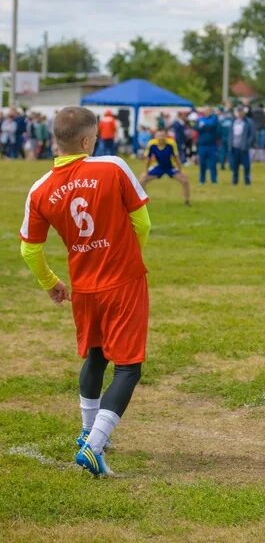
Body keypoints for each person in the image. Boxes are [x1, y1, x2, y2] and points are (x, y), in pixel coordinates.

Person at [19, 106, 151, 476]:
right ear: (87, 140)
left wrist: (50, 282)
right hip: (123, 282)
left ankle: (86, 433)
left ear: (54, 140)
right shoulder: (112, 166)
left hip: (85, 286)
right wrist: (126, 255)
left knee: (95, 357)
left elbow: (29, 249)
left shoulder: (40, 188)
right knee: (128, 368)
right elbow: (142, 220)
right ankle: (94, 447)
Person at [139, 130, 190, 205]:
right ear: (155, 137)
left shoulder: (171, 143)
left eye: (163, 136)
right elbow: (148, 159)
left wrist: (180, 171)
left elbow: (176, 158)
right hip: (158, 167)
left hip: (170, 167)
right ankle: (144, 201)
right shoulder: (152, 144)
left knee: (185, 180)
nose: (161, 138)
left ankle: (187, 201)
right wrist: (146, 171)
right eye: (159, 136)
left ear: (166, 137)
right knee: (142, 180)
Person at [229, 106, 254, 185]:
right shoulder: (233, 121)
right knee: (235, 165)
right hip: (234, 146)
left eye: (241, 112)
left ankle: (247, 180)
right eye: (238, 112)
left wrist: (247, 144)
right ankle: (235, 180)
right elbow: (230, 134)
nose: (239, 113)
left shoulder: (248, 122)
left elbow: (252, 134)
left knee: (246, 165)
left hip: (243, 147)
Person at [196, 108, 219, 184]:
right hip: (202, 145)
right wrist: (203, 126)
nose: (206, 112)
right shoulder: (200, 119)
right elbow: (197, 128)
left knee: (213, 164)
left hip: (212, 145)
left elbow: (212, 125)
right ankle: (202, 180)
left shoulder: (214, 118)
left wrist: (203, 126)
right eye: (205, 111)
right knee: (202, 163)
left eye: (208, 111)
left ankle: (214, 180)